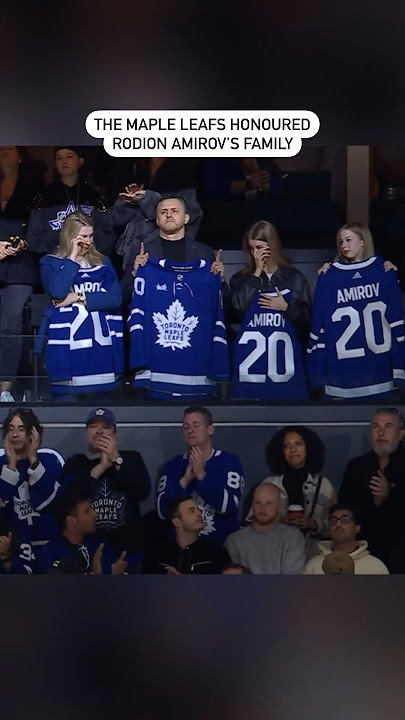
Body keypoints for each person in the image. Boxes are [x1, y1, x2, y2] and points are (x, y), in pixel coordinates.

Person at [308, 223, 405, 399]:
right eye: (340, 242)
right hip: (343, 375)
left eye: (348, 240)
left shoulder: (383, 271)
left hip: (379, 370)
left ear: (363, 241)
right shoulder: (329, 276)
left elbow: (397, 321)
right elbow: (319, 326)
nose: (344, 245)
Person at [37, 211, 123, 398]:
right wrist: (73, 258)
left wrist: (78, 297)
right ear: (70, 236)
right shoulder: (49, 263)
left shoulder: (103, 262)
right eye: (83, 236)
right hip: (67, 350)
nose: (88, 241)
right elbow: (58, 291)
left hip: (100, 349)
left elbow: (115, 298)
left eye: (91, 236)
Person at [62, 407, 150, 573]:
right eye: (94, 426)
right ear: (86, 432)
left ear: (114, 433)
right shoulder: (75, 464)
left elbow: (143, 490)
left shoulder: (131, 458)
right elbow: (69, 501)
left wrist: (116, 460)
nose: (100, 431)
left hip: (128, 556)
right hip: (87, 555)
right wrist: (100, 468)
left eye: (106, 427)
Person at [157, 406, 244, 545]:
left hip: (220, 548)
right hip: (181, 550)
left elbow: (228, 507)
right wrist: (184, 481)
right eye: (186, 427)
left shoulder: (229, 462)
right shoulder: (172, 466)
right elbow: (162, 512)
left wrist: (201, 476)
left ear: (210, 429)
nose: (190, 430)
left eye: (196, 425)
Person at [244, 426, 337, 556]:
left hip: (312, 557)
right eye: (286, 446)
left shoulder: (324, 486)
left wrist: (313, 524)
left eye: (298, 444)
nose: (292, 450)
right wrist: (280, 520)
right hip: (273, 555)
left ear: (308, 448)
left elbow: (336, 527)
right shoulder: (269, 484)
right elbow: (250, 523)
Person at [121, 194, 224, 303]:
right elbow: (123, 296)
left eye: (174, 211)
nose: (168, 215)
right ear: (157, 220)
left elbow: (224, 301)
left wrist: (220, 279)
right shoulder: (140, 251)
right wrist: (134, 273)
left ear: (186, 218)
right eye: (163, 212)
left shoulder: (204, 252)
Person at [0, 145, 44, 402]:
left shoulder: (33, 189)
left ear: (20, 156)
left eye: (9, 148)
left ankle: (5, 389)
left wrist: (24, 243)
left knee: (11, 326)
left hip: (20, 266)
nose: (4, 152)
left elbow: (41, 229)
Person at [339, 407, 405, 564]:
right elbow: (344, 509)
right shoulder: (356, 467)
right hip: (362, 553)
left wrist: (389, 496)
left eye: (388, 427)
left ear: (401, 434)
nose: (381, 433)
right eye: (376, 427)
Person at [229, 220, 311, 345]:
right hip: (251, 352)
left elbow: (307, 321)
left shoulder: (294, 278)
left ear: (272, 245)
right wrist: (256, 273)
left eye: (259, 248)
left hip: (284, 352)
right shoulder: (241, 278)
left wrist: (287, 308)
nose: (255, 253)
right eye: (251, 248)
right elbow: (237, 309)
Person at [27, 146, 117, 256]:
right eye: (59, 158)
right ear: (55, 164)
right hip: (55, 260)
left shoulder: (92, 196)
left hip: (90, 260)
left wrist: (87, 248)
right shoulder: (44, 197)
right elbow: (35, 237)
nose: (64, 161)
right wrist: (64, 245)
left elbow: (106, 234)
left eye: (69, 156)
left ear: (80, 161)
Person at [0, 408, 64, 548]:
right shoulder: (1, 465)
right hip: (13, 548)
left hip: (49, 545)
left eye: (21, 429)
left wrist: (34, 461)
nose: (15, 434)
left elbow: (48, 505)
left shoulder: (50, 461)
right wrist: (11, 466)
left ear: (33, 433)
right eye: (11, 429)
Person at [38, 486, 128, 575]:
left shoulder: (101, 546)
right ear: (71, 520)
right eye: (87, 511)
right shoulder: (50, 555)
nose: (95, 514)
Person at [225, 483, 306, 574]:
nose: (263, 509)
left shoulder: (293, 538)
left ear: (279, 507)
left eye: (269, 503)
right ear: (252, 506)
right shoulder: (234, 541)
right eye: (258, 503)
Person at [143, 496, 230, 574]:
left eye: (198, 510)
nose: (199, 514)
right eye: (192, 511)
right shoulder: (157, 555)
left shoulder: (216, 553)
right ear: (177, 522)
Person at [303, 504, 389, 574]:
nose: (338, 524)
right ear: (329, 529)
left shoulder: (376, 567)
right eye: (333, 521)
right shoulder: (313, 565)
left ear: (357, 528)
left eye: (345, 520)